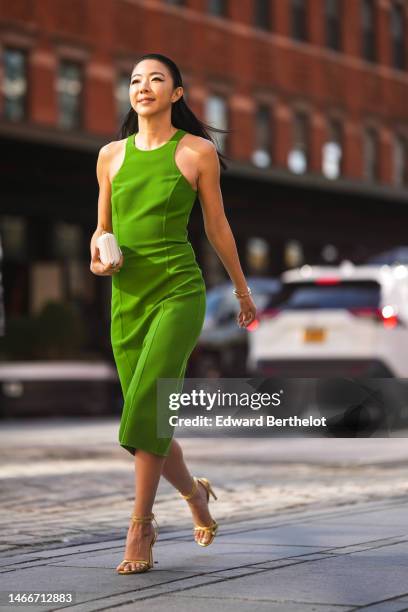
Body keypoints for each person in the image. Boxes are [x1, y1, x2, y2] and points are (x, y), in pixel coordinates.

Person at [90, 53, 257, 575]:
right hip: (127, 299)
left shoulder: (197, 152)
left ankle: (140, 525)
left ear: (176, 94)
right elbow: (102, 229)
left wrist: (243, 291)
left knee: (143, 410)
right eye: (136, 80)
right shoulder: (110, 156)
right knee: (150, 415)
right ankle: (195, 493)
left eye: (156, 79)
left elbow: (217, 227)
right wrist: (98, 255)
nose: (144, 87)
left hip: (179, 293)